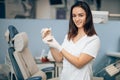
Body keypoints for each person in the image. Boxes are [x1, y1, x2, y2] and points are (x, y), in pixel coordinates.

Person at [41, 1, 100, 80]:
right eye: (74, 16)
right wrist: (50, 43)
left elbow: (79, 63)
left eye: (81, 15)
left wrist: (59, 47)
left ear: (88, 16)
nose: (77, 19)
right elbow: (59, 59)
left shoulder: (93, 40)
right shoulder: (69, 36)